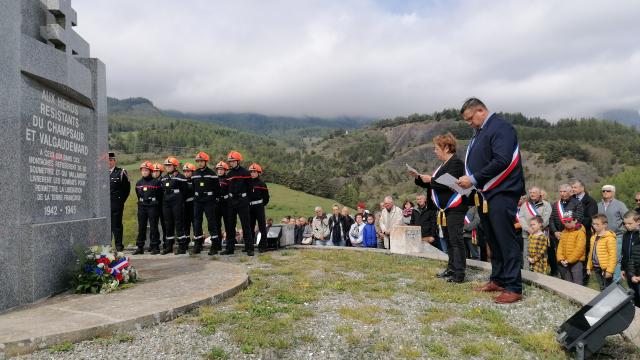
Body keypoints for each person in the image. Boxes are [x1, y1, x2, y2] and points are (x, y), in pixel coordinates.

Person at [456, 98, 525, 304]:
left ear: (481, 110)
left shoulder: (501, 127)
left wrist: (474, 178)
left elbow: (502, 160)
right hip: (486, 193)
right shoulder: (480, 133)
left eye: (470, 118)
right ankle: (498, 278)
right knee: (492, 239)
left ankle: (513, 286)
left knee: (505, 238)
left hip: (502, 191)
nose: (469, 123)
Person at [411, 133, 468, 283]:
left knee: (456, 240)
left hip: (455, 206)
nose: (435, 151)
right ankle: (451, 268)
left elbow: (449, 184)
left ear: (447, 148)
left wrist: (431, 179)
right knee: (448, 239)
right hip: (444, 209)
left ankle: (459, 272)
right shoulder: (443, 165)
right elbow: (434, 183)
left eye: (437, 148)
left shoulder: (456, 163)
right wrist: (418, 178)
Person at [222, 151, 255, 256]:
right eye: (229, 161)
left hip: (242, 201)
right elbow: (226, 188)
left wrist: (246, 200)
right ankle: (229, 248)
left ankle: (249, 248)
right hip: (232, 202)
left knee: (246, 225)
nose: (230, 163)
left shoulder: (245, 173)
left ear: (237, 161)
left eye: (232, 161)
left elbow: (250, 188)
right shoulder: (229, 174)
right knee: (230, 225)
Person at [549, 184, 584, 276]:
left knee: (570, 257)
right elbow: (551, 219)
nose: (562, 193)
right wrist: (555, 231)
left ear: (570, 192)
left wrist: (567, 231)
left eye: (564, 191)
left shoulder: (577, 203)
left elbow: (579, 218)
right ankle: (563, 278)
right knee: (560, 258)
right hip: (557, 235)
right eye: (560, 191)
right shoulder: (556, 204)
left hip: (571, 235)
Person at [190, 152, 221, 254]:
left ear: (206, 161)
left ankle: (215, 245)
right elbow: (193, 188)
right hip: (198, 201)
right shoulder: (194, 174)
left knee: (211, 222)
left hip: (209, 201)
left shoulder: (212, 174)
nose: (199, 163)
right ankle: (198, 244)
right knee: (197, 223)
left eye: (201, 161)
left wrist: (214, 200)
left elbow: (217, 189)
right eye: (198, 161)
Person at [598, 184, 629, 281]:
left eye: (608, 191)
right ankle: (606, 284)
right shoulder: (598, 205)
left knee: (616, 259)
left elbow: (627, 218)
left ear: (613, 193)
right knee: (604, 259)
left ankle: (616, 285)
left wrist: (622, 230)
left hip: (617, 237)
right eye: (604, 191)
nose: (605, 192)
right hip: (602, 237)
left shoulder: (620, 205)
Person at [572, 180, 598, 284]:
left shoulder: (590, 201)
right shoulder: (571, 200)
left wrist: (576, 221)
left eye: (575, 187)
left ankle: (583, 280)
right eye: (572, 187)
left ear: (582, 188)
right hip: (571, 233)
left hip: (584, 232)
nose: (573, 189)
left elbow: (590, 219)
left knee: (583, 256)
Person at [160, 157, 188, 254]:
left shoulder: (181, 177)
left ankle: (182, 247)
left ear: (175, 166)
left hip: (177, 201)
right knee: (168, 223)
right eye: (166, 166)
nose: (167, 167)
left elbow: (185, 191)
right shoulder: (163, 178)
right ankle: (169, 246)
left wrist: (180, 200)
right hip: (166, 201)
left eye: (169, 165)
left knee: (179, 223)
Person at [518, 187, 552, 268]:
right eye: (531, 193)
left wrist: (536, 230)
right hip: (527, 234)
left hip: (540, 235)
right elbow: (521, 217)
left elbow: (546, 219)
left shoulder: (546, 205)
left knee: (540, 254)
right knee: (526, 254)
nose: (532, 194)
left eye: (534, 193)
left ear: (540, 194)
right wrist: (527, 228)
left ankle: (540, 275)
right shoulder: (525, 205)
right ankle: (527, 275)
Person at [134, 161, 161, 255]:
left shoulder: (156, 182)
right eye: (143, 170)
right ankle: (140, 247)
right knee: (141, 227)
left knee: (153, 227)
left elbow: (159, 195)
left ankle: (155, 247)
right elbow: (138, 194)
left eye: (146, 170)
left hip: (152, 206)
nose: (144, 172)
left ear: (150, 171)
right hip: (142, 206)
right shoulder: (138, 183)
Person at [587, 214, 617, 291]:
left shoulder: (609, 238)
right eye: (593, 224)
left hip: (606, 268)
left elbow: (612, 255)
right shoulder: (593, 237)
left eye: (597, 224)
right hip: (596, 266)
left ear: (605, 225)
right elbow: (591, 253)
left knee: (608, 288)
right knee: (602, 287)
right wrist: (589, 267)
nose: (594, 226)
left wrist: (609, 271)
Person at [108, 152, 130, 252]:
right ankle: (107, 245)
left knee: (116, 225)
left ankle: (118, 245)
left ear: (114, 161)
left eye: (111, 160)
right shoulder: (101, 172)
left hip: (116, 204)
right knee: (106, 226)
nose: (109, 162)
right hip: (104, 205)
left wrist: (121, 201)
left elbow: (126, 189)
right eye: (107, 160)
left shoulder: (121, 172)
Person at [556, 211, 586, 285]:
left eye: (569, 221)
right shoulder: (564, 232)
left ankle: (578, 296)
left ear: (575, 220)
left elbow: (579, 249)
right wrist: (561, 259)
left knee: (577, 283)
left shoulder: (580, 232)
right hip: (565, 261)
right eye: (565, 222)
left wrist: (569, 260)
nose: (567, 224)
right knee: (567, 282)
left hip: (576, 262)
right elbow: (560, 247)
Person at [248, 163, 270, 253]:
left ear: (258, 173)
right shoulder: (247, 183)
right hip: (249, 207)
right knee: (250, 227)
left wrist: (261, 205)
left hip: (259, 208)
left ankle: (263, 246)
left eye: (254, 172)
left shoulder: (262, 184)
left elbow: (266, 198)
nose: (252, 173)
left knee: (262, 227)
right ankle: (250, 245)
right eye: (251, 172)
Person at [621, 211, 640, 306]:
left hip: (638, 270)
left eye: (630, 223)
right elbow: (624, 253)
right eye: (625, 223)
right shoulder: (626, 235)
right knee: (633, 294)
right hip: (629, 270)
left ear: (638, 221)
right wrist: (623, 268)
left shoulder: (638, 235)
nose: (627, 226)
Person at [212, 161, 230, 255]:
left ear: (225, 170)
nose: (219, 171)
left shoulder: (228, 179)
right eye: (218, 169)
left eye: (221, 169)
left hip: (226, 204)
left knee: (228, 225)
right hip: (216, 204)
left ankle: (228, 245)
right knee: (216, 225)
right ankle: (218, 245)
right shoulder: (214, 179)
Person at [151, 163, 167, 248]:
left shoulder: (164, 181)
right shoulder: (151, 182)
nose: (155, 173)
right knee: (153, 225)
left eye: (157, 171)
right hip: (153, 207)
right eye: (153, 171)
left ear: (160, 172)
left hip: (163, 206)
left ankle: (166, 242)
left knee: (165, 225)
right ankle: (154, 243)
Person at [182, 162, 196, 250]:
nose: (186, 173)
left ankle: (197, 242)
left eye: (188, 171)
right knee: (185, 225)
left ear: (192, 172)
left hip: (194, 205)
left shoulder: (195, 181)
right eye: (185, 171)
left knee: (196, 224)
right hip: (184, 206)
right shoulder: (182, 181)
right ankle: (186, 242)